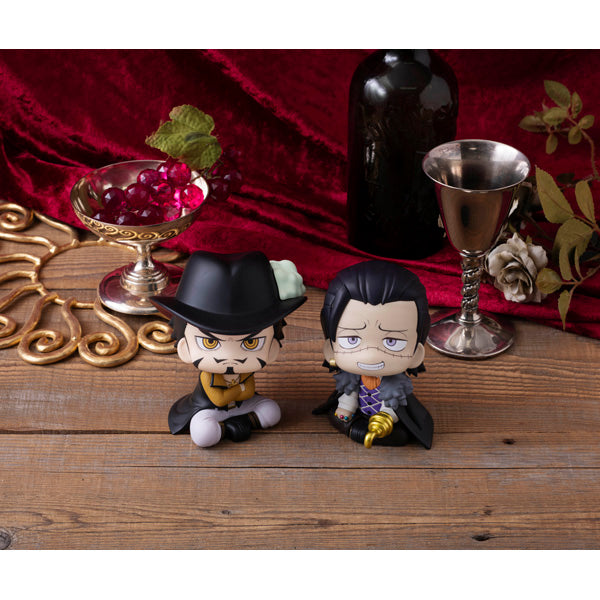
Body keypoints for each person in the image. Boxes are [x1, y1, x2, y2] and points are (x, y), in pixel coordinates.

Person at [151, 250, 306, 448]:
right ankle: (228, 427)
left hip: (243, 405)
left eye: (250, 343)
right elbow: (218, 398)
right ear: (185, 348)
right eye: (210, 343)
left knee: (272, 411)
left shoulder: (244, 373)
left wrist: (239, 393)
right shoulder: (211, 377)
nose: (230, 358)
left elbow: (248, 393)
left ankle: (236, 423)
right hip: (210, 410)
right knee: (203, 434)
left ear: (272, 348)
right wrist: (240, 389)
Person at [313, 260, 433, 449]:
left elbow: (394, 404)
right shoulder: (351, 378)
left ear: (416, 353)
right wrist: (346, 407)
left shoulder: (396, 386)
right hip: (357, 413)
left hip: (382, 419)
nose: (371, 355)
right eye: (352, 339)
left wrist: (386, 417)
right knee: (338, 415)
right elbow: (349, 394)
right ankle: (354, 428)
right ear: (330, 348)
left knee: (400, 436)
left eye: (392, 341)